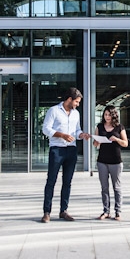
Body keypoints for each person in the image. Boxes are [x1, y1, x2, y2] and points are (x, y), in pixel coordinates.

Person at [41, 87, 90, 223]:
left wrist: (82, 135)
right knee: (51, 181)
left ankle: (64, 211)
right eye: (76, 102)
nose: (77, 105)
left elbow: (77, 130)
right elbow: (46, 129)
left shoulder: (76, 114)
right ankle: (47, 212)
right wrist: (62, 135)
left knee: (67, 182)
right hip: (56, 149)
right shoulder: (54, 111)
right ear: (69, 99)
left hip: (71, 150)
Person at [94, 104, 128, 221]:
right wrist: (97, 141)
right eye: (105, 114)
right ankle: (106, 211)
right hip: (102, 161)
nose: (107, 117)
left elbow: (125, 143)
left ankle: (118, 212)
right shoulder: (99, 126)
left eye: (109, 114)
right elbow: (95, 144)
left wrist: (116, 139)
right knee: (104, 187)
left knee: (117, 187)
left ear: (114, 115)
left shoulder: (120, 127)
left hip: (116, 161)